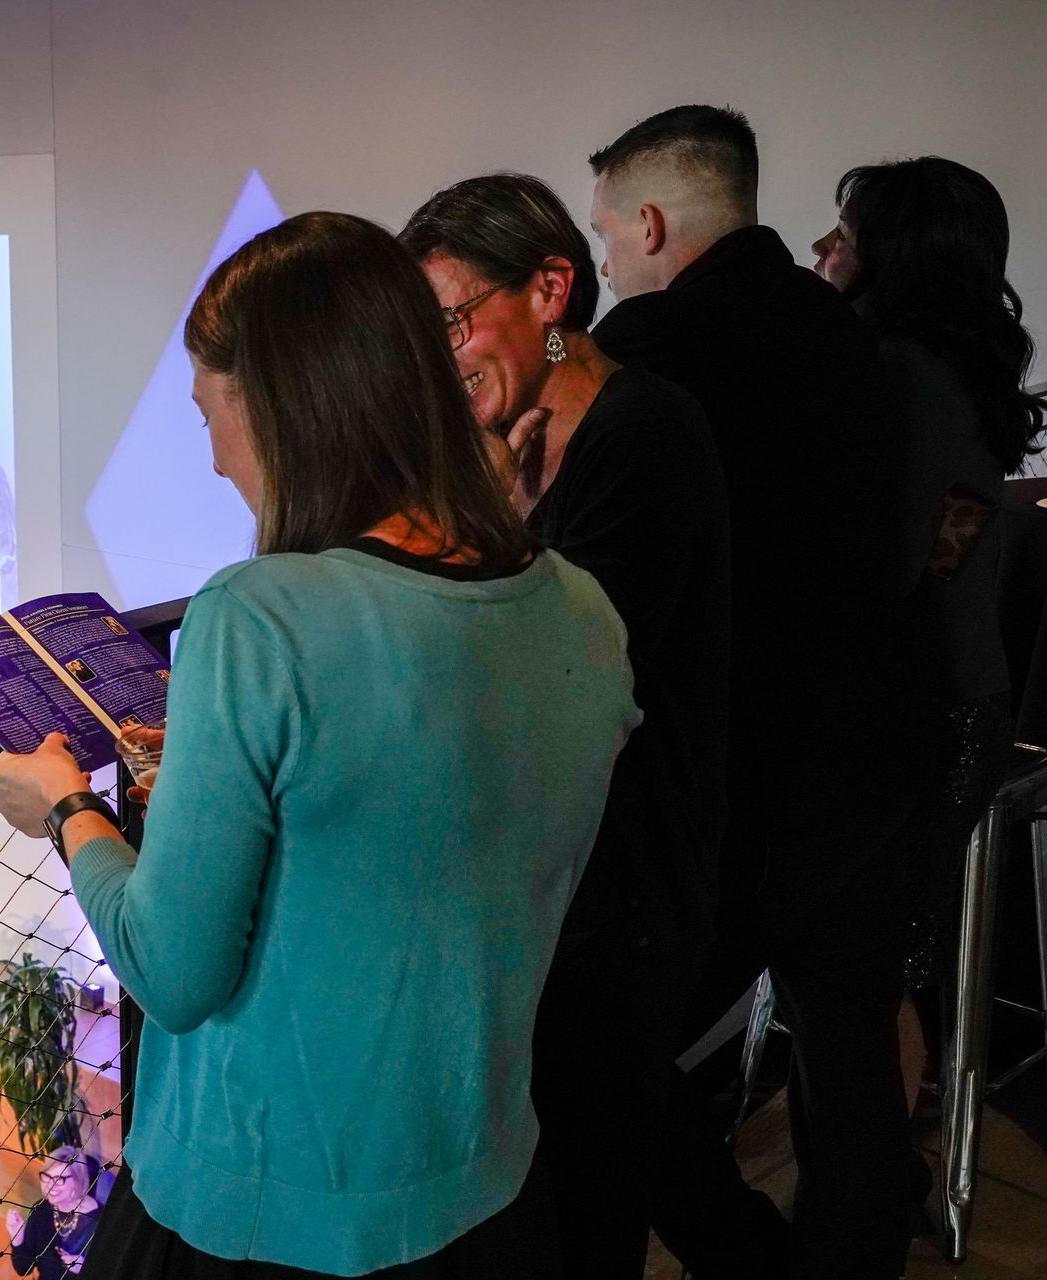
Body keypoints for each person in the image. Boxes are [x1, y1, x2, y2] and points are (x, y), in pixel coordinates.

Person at [0, 211, 640, 1278]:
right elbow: (413, 825)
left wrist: (68, 808)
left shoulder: (259, 616)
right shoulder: (581, 608)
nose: (213, 461)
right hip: (487, 1193)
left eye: (209, 414)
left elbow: (173, 969)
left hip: (266, 1213)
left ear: (282, 405)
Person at [586, 105, 933, 1278]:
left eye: (604, 238)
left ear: (648, 223)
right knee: (853, 1070)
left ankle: (743, 1260)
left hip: (746, 780)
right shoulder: (843, 330)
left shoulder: (652, 343)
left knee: (609, 1045)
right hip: (871, 755)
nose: (603, 264)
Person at [401, 172, 731, 1279]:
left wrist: (489, 528)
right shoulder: (509, 440)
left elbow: (566, 682)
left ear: (550, 291)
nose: (440, 355)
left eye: (452, 319)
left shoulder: (646, 431)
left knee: (591, 1212)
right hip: (548, 893)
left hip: (621, 899)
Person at [811, 158, 1047, 1118]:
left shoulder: (901, 378)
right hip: (960, 705)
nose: (820, 248)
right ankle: (884, 1166)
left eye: (843, 235)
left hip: (927, 717)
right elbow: (952, 543)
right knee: (879, 968)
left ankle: (877, 1174)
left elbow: (917, 564)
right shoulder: (951, 377)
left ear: (895, 256)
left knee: (864, 974)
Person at [7, 1146, 103, 1279]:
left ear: (78, 1181)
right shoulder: (41, 1210)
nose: (50, 1185)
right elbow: (23, 1269)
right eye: (47, 1176)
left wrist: (85, 1269)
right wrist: (17, 1238)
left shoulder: (100, 1220)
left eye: (59, 1179)